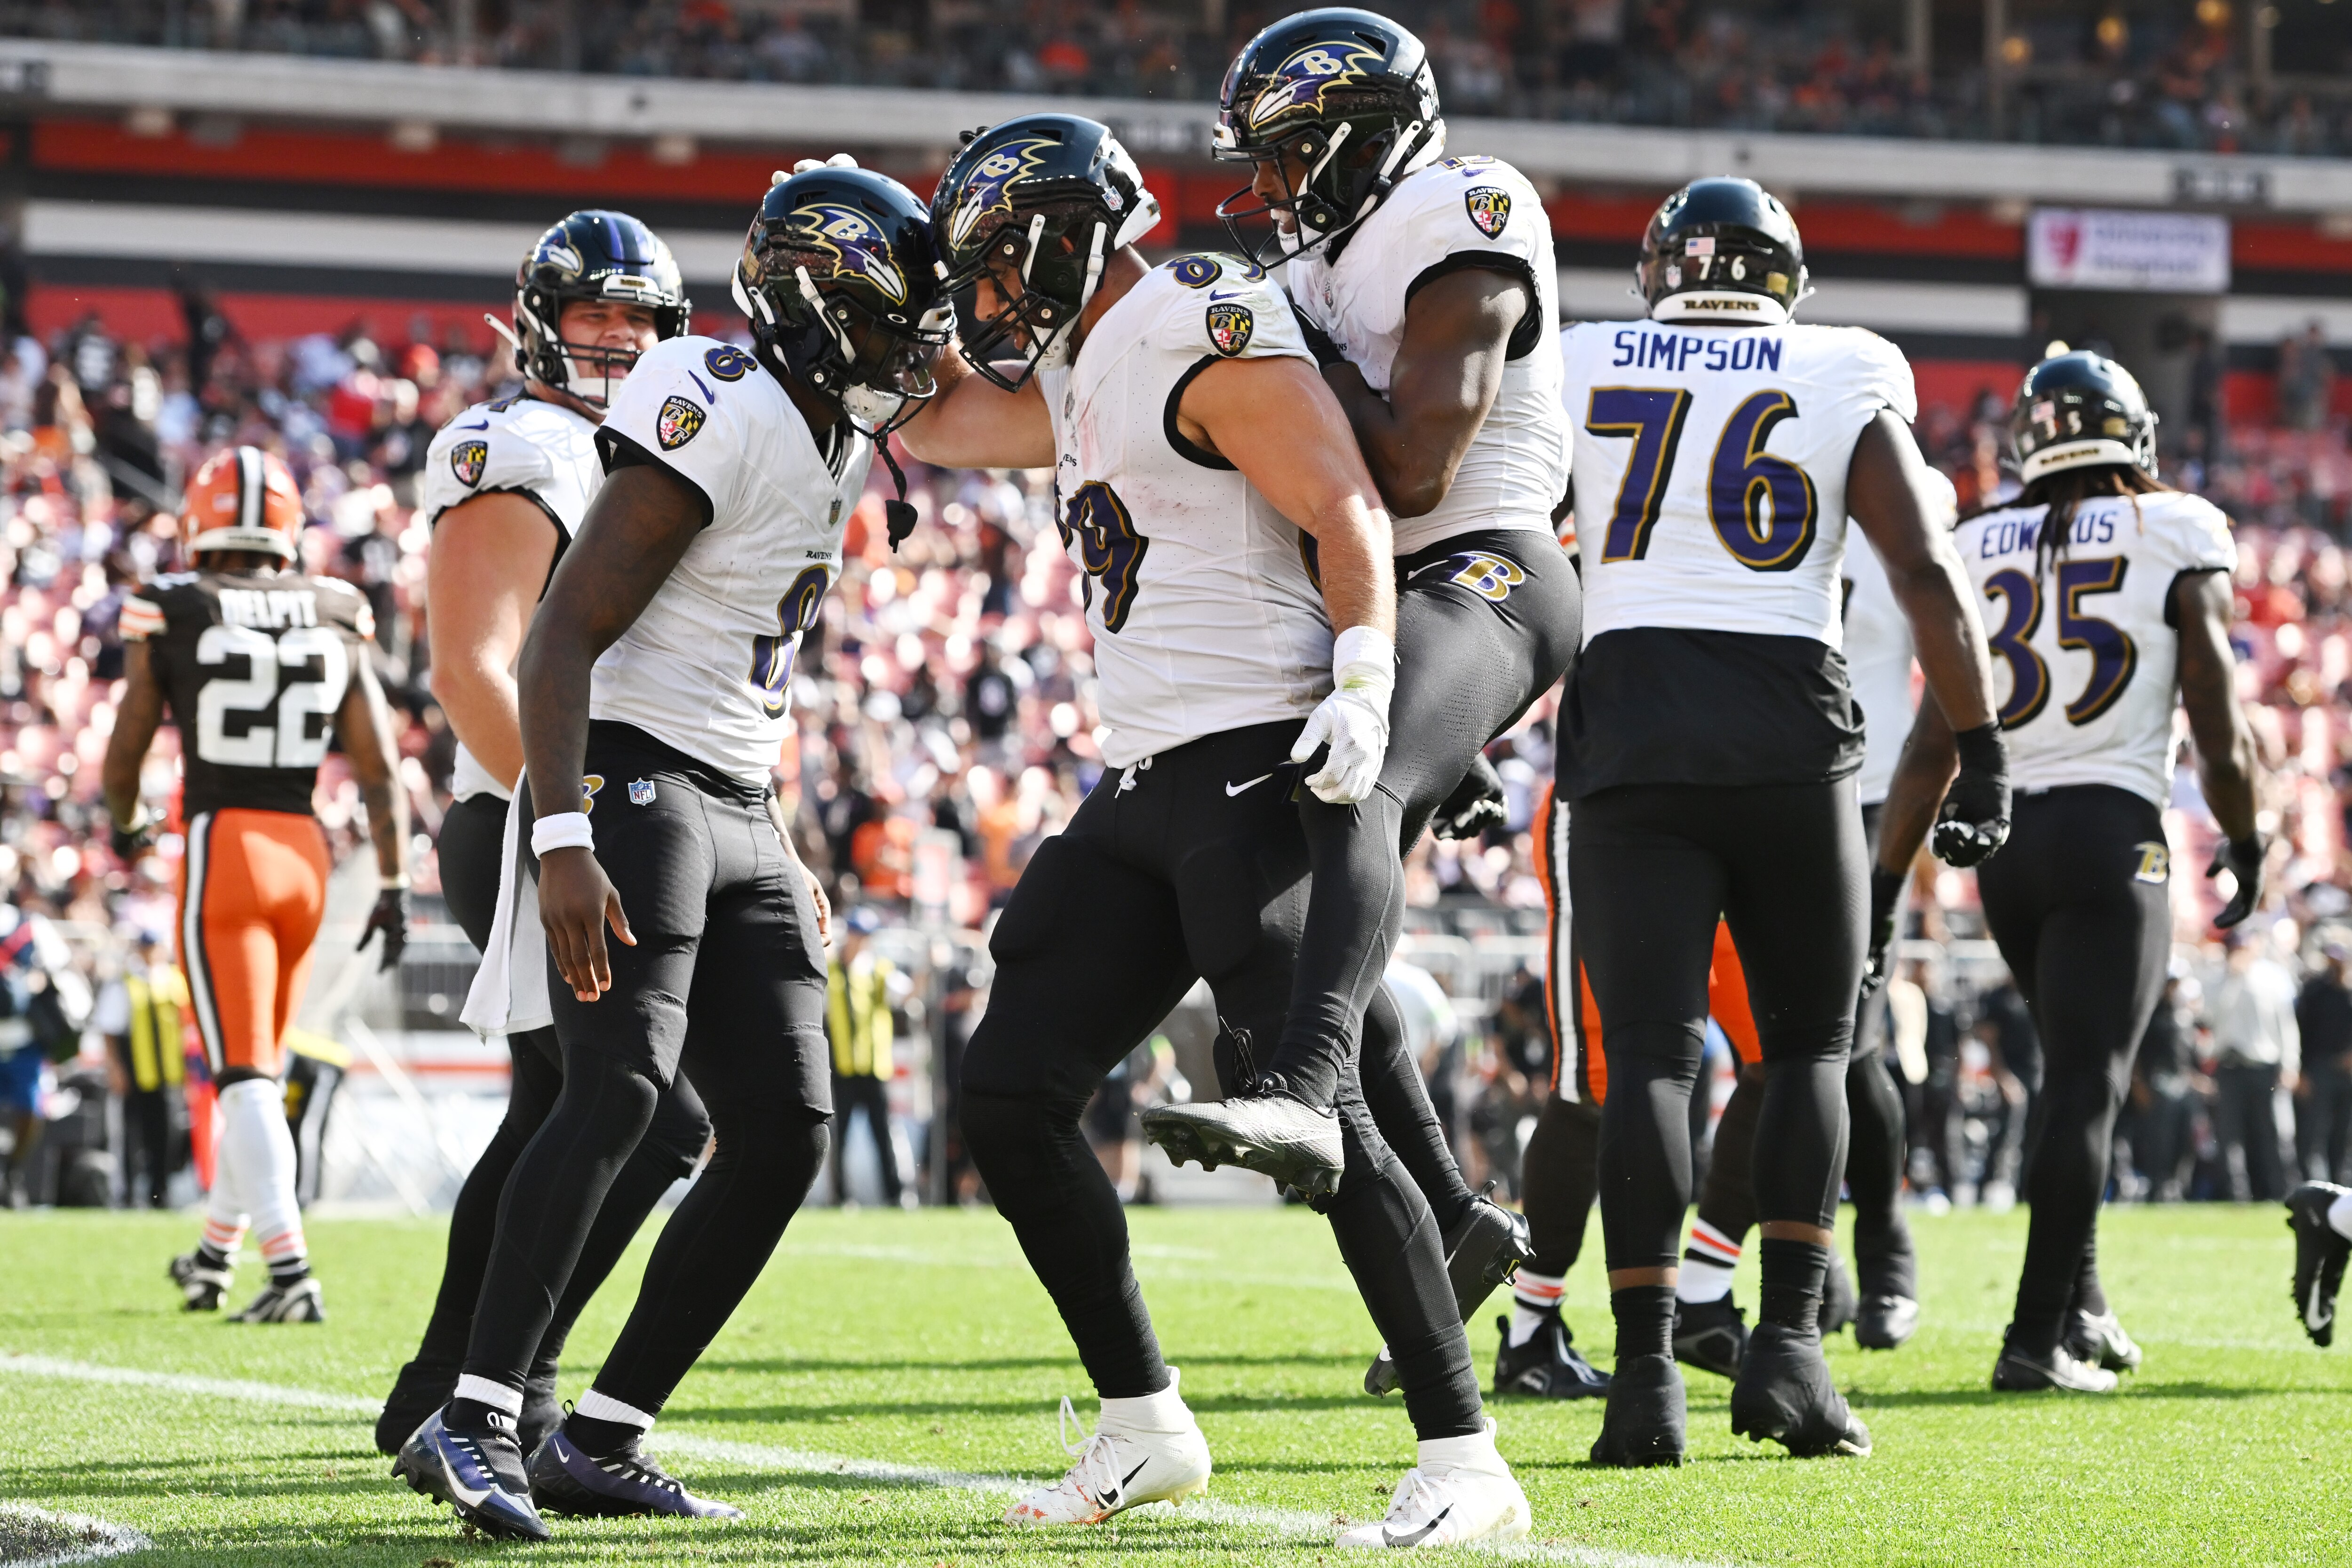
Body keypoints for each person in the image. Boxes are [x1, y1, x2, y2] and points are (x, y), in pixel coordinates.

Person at [901, 113, 1529, 1548]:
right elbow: (936, 421)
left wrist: (1364, 678)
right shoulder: (1081, 365)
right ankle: (1144, 1420)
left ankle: (1464, 1451)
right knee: (1009, 1087)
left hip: (1252, 758)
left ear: (1057, 241)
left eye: (992, 264)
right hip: (1143, 777)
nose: (983, 298)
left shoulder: (1189, 312)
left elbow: (1341, 497)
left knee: (1321, 1114)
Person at [397, 164, 946, 1539]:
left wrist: (783, 834)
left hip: (735, 795)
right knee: (616, 1090)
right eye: (890, 320)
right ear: (817, 304)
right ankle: (473, 1411)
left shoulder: (830, 425)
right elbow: (555, 635)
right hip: (627, 782)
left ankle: (601, 1432)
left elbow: (738, 667)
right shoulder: (711, 395)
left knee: (785, 1129)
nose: (908, 351)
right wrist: (562, 830)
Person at [1558, 177, 2006, 1465]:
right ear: (1784, 278)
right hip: (1786, 721)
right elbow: (1922, 565)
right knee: (1811, 1047)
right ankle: (1792, 1353)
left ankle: (1645, 1380)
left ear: (1661, 270)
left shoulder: (1583, 356)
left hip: (1631, 716)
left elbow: (1507, 545)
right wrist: (1981, 748)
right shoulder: (1843, 363)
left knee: (1650, 1059)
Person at [1156, 9, 1581, 1239]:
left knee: (1355, 777)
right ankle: (1452, 1215)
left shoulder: (1461, 213)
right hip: (1395, 599)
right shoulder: (1317, 268)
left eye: (1291, 153)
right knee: (1278, 898)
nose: (1272, 186)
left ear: (1365, 138)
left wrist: (1294, 351)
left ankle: (1302, 1093)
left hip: (1491, 563)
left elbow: (1410, 473)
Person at [377, 210, 714, 1459]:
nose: (617, 339)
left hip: (592, 813)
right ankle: (498, 1383)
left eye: (639, 318)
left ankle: (453, 1386)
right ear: (540, 323)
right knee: (647, 1110)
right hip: (535, 816)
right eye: (594, 314)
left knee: (561, 1109)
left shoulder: (645, 445)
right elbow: (471, 668)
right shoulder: (523, 445)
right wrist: (571, 822)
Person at [1876, 348, 2263, 1393]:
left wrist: (1884, 885)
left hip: (2007, 841)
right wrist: (2246, 833)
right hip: (2109, 830)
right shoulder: (2176, 526)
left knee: (2066, 1075)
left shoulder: (1977, 538)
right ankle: (2034, 1334)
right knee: (2087, 1085)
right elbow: (2216, 714)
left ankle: (2081, 1303)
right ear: (2131, 433)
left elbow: (1934, 739)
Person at [101, 445, 411, 1322]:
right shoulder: (335, 605)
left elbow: (127, 746)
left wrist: (126, 821)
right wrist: (393, 879)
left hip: (226, 847)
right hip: (305, 854)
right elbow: (381, 768)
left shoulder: (172, 602)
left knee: (240, 1075)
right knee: (260, 1074)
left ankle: (289, 1271)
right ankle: (216, 1253)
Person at [96, 932, 187, 1210]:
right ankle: (129, 1195)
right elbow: (110, 1030)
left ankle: (161, 1192)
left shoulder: (175, 981)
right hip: (135, 1071)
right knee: (133, 1136)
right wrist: (116, 1068)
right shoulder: (125, 982)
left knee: (168, 1134)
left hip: (169, 1074)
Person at [2208, 928, 2300, 1202]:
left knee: (2272, 1131)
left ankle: (2281, 1190)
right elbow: (2211, 1018)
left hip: (2263, 1066)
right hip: (2229, 1065)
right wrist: (2233, 979)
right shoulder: (2217, 979)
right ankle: (2236, 1192)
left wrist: (2290, 1064)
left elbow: (2286, 1025)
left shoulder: (2273, 977)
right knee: (2230, 1133)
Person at [827, 905, 905, 1208]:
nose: (861, 941)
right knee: (839, 1136)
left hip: (875, 1067)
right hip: (844, 1067)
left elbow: (908, 992)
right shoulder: (832, 969)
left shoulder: (880, 969)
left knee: (883, 1134)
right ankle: (841, 1197)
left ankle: (895, 1194)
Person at [2296, 941, 2352, 1184]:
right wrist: (2302, 1071)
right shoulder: (2315, 991)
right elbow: (2302, 1032)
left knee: (2343, 1133)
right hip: (2319, 1068)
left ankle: (2341, 1184)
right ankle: (2315, 1184)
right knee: (2314, 1131)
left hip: (2348, 1072)